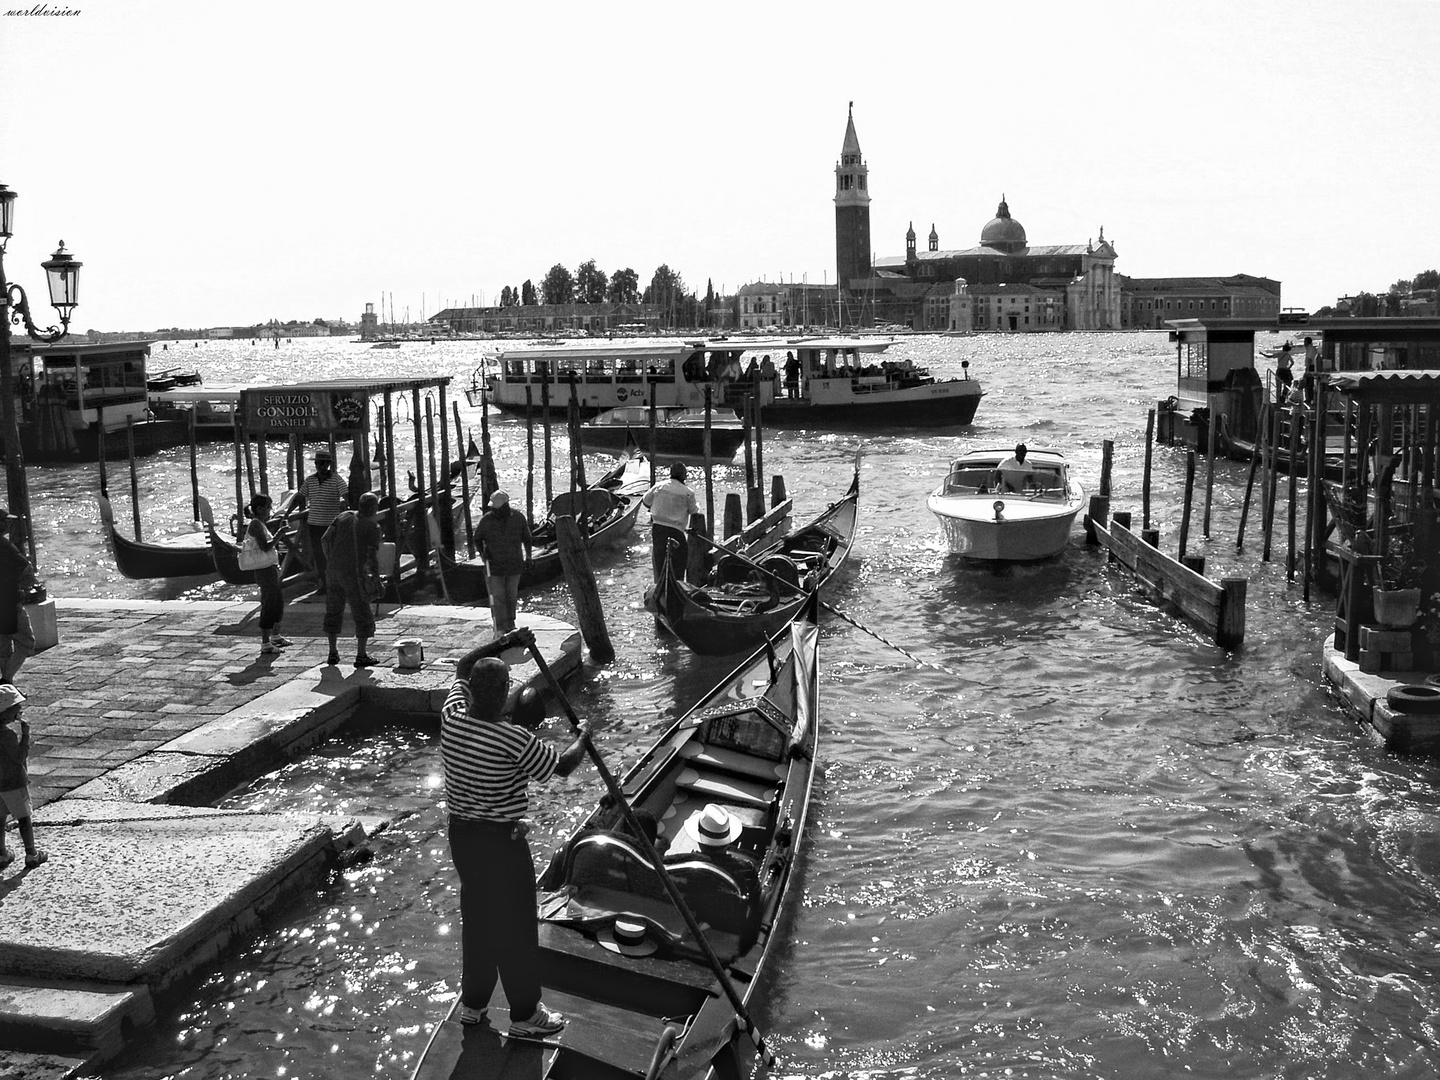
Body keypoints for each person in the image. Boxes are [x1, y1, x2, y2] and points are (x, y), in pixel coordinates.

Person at [440, 637, 590, 1034]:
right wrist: (584, 738)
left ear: (471, 690)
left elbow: (462, 662)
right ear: (506, 694)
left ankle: (473, 1006)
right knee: (516, 926)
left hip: (463, 840)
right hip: (501, 846)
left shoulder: (451, 717)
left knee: (478, 919)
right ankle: (525, 1014)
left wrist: (505, 642)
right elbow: (562, 767)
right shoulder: (515, 740)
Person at [321, 491, 382, 667]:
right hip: (354, 575)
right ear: (373, 508)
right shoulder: (371, 527)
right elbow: (372, 557)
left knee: (333, 612)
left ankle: (332, 652)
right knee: (362, 613)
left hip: (333, 572)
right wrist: (376, 580)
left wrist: (331, 560)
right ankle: (361, 655)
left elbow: (325, 539)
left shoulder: (342, 516)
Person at [474, 490, 533, 637]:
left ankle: (510, 622)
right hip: (494, 566)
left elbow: (527, 538)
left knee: (511, 596)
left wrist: (529, 556)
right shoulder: (486, 520)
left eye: (496, 508)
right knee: (498, 597)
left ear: (505, 506)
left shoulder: (518, 518)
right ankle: (500, 625)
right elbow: (477, 539)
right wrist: (482, 553)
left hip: (514, 565)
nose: (493, 510)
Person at [0, 684, 45, 871]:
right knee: (24, 818)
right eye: (16, 709)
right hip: (14, 783)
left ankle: (2, 853)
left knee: (0, 818)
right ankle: (31, 853)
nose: (19, 711)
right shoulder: (7, 735)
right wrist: (25, 737)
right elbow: (18, 758)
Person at [241, 493, 291, 656]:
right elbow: (266, 546)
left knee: (277, 602)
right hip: (264, 570)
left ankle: (275, 635)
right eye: (269, 507)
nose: (270, 510)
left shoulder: (260, 523)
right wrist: (280, 533)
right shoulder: (256, 524)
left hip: (270, 568)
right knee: (269, 603)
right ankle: (265, 642)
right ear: (261, 508)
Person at [293, 449, 349, 594]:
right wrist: (286, 514)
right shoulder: (310, 480)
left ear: (328, 465)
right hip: (314, 525)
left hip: (331, 525)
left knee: (333, 555)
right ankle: (325, 584)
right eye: (318, 463)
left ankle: (336, 584)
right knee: (319, 556)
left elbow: (346, 495)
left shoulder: (337, 479)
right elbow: (300, 497)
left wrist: (350, 511)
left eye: (323, 463)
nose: (320, 466)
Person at [642, 463, 699, 581]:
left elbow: (646, 502)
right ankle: (677, 585)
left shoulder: (659, 486)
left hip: (658, 530)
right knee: (679, 562)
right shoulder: (688, 493)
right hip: (676, 532)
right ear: (684, 476)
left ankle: (659, 584)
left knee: (659, 561)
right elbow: (694, 513)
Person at [0, 509, 36, 685]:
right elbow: (25, 569)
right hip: (9, 603)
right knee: (26, 642)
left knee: (4, 647)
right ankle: (6, 680)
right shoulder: (5, 546)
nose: (9, 524)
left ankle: (8, 688)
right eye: (6, 521)